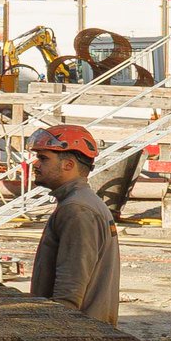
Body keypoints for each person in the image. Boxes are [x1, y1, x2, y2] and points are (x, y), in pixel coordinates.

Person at [25, 123, 120, 324]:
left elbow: (69, 291)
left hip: (79, 331)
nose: (35, 164)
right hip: (87, 329)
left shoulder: (77, 209)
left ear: (68, 165)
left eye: (43, 158)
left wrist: (59, 331)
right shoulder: (82, 202)